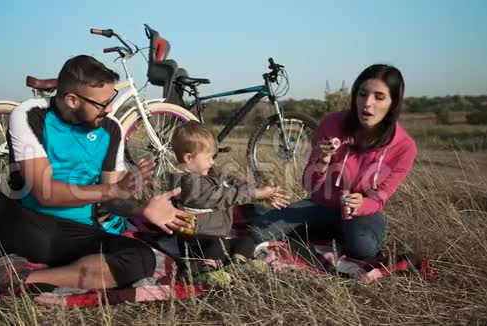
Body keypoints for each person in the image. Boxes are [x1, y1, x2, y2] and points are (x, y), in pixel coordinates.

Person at [0, 55, 191, 325]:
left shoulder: (111, 128)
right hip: (30, 227)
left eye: (112, 99)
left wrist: (143, 207)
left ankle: (15, 279)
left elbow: (116, 198)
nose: (110, 108)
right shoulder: (31, 115)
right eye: (103, 103)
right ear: (72, 99)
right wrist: (110, 191)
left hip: (82, 235)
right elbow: (46, 192)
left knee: (139, 258)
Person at [249, 64, 417, 260]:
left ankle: (326, 234)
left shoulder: (404, 147)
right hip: (321, 204)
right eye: (362, 94)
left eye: (379, 97)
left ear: (393, 103)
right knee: (257, 231)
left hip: (359, 214)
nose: (367, 103)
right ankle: (321, 234)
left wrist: (362, 204)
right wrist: (322, 162)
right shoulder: (332, 124)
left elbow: (380, 198)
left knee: (363, 250)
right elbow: (309, 186)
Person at [168, 122, 289, 275]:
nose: (212, 162)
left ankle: (239, 264)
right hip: (196, 240)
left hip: (220, 235)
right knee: (216, 246)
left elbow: (232, 183)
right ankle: (205, 271)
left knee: (246, 241)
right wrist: (256, 194)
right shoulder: (187, 184)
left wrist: (258, 191)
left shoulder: (210, 173)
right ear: (189, 158)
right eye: (209, 157)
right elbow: (223, 196)